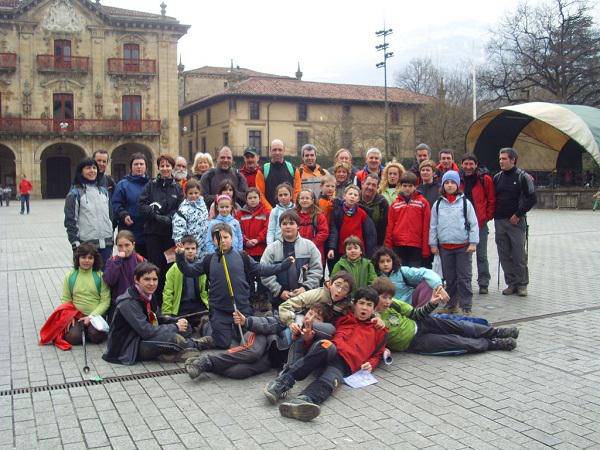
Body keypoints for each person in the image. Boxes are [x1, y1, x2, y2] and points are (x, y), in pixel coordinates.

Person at [264, 287, 387, 422]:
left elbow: (380, 353)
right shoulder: (343, 318)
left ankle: (303, 402)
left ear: (374, 308)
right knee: (325, 345)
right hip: (330, 350)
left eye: (369, 305)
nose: (364, 308)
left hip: (345, 364)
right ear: (355, 305)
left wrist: (372, 363)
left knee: (330, 381)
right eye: (361, 303)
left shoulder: (380, 330)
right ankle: (280, 384)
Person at [176, 223, 294, 348]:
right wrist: (179, 257)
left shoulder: (242, 256)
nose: (223, 241)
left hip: (241, 308)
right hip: (219, 309)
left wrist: (283, 265)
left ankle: (233, 329)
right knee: (223, 344)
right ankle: (207, 325)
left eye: (226, 237)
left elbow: (262, 269)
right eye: (219, 238)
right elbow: (189, 271)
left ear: (231, 238)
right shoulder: (209, 260)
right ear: (213, 241)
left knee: (247, 340)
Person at [372, 276, 518, 355]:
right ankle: (494, 344)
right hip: (414, 342)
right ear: (375, 296)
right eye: (384, 297)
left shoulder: (394, 304)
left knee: (460, 325)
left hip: (421, 323)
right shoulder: (372, 319)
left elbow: (416, 314)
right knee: (457, 342)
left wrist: (432, 304)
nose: (388, 301)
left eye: (390, 297)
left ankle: (496, 332)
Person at [184, 304, 333, 380]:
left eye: (317, 318)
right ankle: (205, 361)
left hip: (270, 357)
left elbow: (298, 361)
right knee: (253, 353)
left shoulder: (315, 340)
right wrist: (247, 321)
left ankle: (210, 365)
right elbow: (268, 322)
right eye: (310, 313)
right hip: (263, 335)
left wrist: (300, 339)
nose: (310, 319)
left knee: (237, 372)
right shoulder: (291, 318)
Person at [103, 262, 207, 365]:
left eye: (155, 279)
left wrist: (176, 322)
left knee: (186, 328)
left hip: (143, 337)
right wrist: (175, 326)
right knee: (173, 338)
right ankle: (200, 344)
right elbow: (146, 331)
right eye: (147, 279)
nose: (152, 283)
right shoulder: (128, 302)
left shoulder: (148, 295)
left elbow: (157, 319)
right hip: (128, 347)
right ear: (136, 280)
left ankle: (172, 353)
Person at [39, 243, 110, 349]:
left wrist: (91, 316)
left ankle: (88, 332)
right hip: (76, 316)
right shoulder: (70, 276)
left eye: (90, 258)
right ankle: (82, 331)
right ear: (77, 259)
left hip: (95, 316)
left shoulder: (100, 276)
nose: (86, 260)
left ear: (95, 260)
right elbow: (66, 299)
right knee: (73, 338)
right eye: (83, 257)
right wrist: (69, 316)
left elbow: (105, 301)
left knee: (96, 337)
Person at [429, 171, 479, 315]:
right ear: (443, 185)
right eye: (447, 183)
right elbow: (433, 225)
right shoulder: (438, 204)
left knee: (464, 277)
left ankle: (466, 306)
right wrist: (433, 244)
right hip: (445, 247)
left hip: (463, 247)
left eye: (452, 182)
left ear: (457, 185)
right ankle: (451, 304)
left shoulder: (465, 203)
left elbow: (473, 224)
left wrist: (473, 242)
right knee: (449, 278)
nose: (449, 185)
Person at [138, 154, 184, 307]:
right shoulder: (151, 185)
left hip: (170, 236)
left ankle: (169, 303)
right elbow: (142, 205)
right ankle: (155, 303)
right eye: (162, 165)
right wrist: (155, 216)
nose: (165, 168)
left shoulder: (177, 188)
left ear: (172, 167)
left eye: (168, 165)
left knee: (170, 269)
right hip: (153, 235)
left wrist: (169, 218)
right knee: (155, 269)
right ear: (158, 167)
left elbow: (180, 208)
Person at [493, 148, 537, 297]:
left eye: (504, 159)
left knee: (519, 255)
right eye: (500, 159)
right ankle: (511, 283)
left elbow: (532, 198)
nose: (501, 162)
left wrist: (518, 214)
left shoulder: (522, 177)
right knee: (504, 254)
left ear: (513, 160)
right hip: (500, 221)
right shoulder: (497, 177)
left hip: (516, 222)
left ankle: (522, 284)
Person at [261, 210, 323, 310]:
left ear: (298, 226)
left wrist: (305, 288)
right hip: (279, 300)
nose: (288, 226)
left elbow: (317, 270)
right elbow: (265, 272)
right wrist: (279, 291)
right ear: (280, 226)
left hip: (306, 299)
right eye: (284, 224)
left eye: (291, 223)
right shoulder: (271, 249)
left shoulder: (309, 246)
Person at [64, 158, 114, 266]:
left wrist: (111, 236)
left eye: (94, 168)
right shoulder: (75, 194)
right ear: (81, 171)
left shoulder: (104, 192)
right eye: (88, 168)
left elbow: (110, 216)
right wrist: (75, 244)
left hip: (106, 244)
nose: (92, 171)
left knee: (106, 279)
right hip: (86, 246)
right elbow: (70, 221)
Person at [460, 154, 496, 294]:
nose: (468, 167)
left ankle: (483, 283)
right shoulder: (459, 179)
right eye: (466, 164)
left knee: (481, 255)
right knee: (464, 256)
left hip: (479, 223)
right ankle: (465, 282)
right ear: (462, 164)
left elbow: (491, 199)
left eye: (471, 164)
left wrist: (486, 217)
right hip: (462, 224)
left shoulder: (484, 179)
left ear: (476, 165)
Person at [385, 171, 431, 267]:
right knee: (400, 272)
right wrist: (388, 247)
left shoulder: (422, 203)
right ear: (400, 186)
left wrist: (426, 248)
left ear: (415, 186)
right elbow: (390, 227)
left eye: (410, 186)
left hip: (416, 245)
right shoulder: (395, 204)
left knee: (414, 274)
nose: (407, 189)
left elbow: (426, 226)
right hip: (398, 244)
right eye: (405, 186)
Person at [372, 246, 443, 307]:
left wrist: (438, 286)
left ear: (393, 261)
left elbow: (427, 272)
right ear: (377, 263)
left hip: (410, 303)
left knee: (428, 283)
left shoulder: (402, 271)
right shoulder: (373, 275)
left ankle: (421, 315)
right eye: (382, 262)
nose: (386, 264)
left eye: (388, 261)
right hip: (389, 307)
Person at [278, 271, 355, 326]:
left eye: (344, 289)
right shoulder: (316, 295)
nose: (339, 291)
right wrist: (291, 323)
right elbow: (285, 306)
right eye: (337, 285)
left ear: (347, 294)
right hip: (300, 320)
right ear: (330, 284)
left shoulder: (346, 305)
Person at [236, 188, 271, 311]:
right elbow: (238, 230)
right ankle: (250, 299)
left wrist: (258, 239)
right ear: (246, 199)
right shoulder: (240, 214)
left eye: (255, 197)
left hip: (261, 249)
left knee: (262, 276)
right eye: (250, 198)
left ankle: (263, 299)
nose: (252, 200)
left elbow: (267, 228)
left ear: (259, 198)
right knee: (248, 276)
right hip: (247, 251)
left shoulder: (266, 212)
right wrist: (246, 241)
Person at [327, 185, 377, 267]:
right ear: (344, 196)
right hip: (342, 250)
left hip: (358, 250)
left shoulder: (362, 213)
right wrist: (331, 248)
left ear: (358, 199)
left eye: (355, 195)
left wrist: (369, 254)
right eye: (350, 194)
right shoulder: (337, 212)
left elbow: (369, 235)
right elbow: (334, 231)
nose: (352, 196)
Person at [162, 236, 209, 321]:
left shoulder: (201, 267)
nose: (190, 251)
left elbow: (205, 291)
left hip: (199, 305)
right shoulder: (173, 269)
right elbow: (168, 292)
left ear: (196, 250)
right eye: (187, 249)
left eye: (193, 248)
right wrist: (167, 312)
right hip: (181, 307)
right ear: (181, 250)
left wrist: (209, 305)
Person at [112, 152, 149, 257]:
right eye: (136, 164)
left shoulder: (151, 184)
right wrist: (123, 214)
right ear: (131, 167)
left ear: (146, 167)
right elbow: (116, 204)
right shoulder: (122, 185)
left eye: (141, 164)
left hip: (146, 231)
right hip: (128, 230)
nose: (139, 167)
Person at [103, 230, 145, 320]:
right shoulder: (112, 261)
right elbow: (109, 280)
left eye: (127, 245)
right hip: (117, 305)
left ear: (133, 245)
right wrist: (117, 262)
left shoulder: (141, 261)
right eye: (120, 246)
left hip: (136, 304)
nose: (124, 249)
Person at [255, 139, 301, 209]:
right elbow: (260, 194)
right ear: (270, 151)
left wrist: (292, 208)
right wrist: (271, 211)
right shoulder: (262, 171)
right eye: (274, 150)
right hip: (269, 212)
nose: (277, 152)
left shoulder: (293, 170)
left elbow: (297, 192)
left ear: (284, 151)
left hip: (290, 212)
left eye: (280, 150)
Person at [172, 178, 210, 260]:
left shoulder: (203, 205)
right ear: (186, 194)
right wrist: (180, 246)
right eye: (190, 193)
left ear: (200, 192)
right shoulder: (183, 210)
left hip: (204, 245)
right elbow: (178, 229)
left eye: (196, 193)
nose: (194, 196)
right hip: (190, 247)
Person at [296, 189, 329, 263]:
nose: (304, 200)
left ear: (312, 200)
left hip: (315, 250)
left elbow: (324, 232)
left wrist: (311, 244)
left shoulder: (319, 215)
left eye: (307, 198)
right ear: (298, 200)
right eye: (302, 198)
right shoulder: (295, 215)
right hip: (298, 251)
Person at [359, 173, 388, 247]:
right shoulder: (354, 198)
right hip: (355, 242)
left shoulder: (382, 202)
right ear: (362, 184)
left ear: (377, 187)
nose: (370, 187)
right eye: (368, 184)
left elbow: (384, 228)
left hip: (374, 243)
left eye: (374, 185)